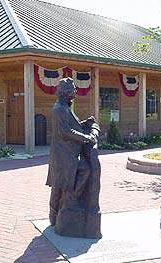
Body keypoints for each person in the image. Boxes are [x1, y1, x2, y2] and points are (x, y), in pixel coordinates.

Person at [46, 77, 98, 226]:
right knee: (59, 185)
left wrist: (85, 124)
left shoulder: (66, 108)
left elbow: (71, 127)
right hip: (63, 156)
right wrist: (86, 137)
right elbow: (65, 131)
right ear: (66, 92)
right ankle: (54, 215)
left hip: (69, 154)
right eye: (73, 89)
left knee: (68, 180)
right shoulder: (59, 109)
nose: (76, 91)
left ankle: (69, 202)